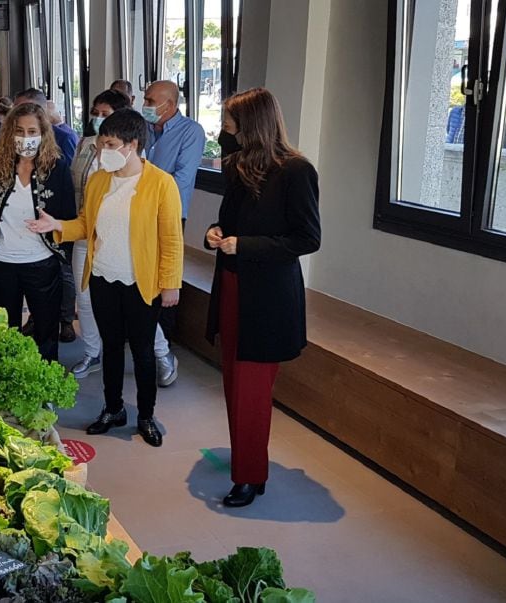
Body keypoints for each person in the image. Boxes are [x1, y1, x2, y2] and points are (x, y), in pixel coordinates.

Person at [28, 109, 184, 447]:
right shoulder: (99, 180)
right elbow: (86, 225)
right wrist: (57, 225)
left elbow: (171, 239)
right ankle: (113, 409)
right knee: (111, 347)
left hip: (142, 281)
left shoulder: (160, 183)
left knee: (142, 351)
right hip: (102, 277)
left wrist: (171, 283)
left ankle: (145, 414)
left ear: (133, 144)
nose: (102, 152)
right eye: (100, 144)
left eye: (110, 144)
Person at [204, 87, 321, 507]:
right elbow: (227, 222)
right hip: (234, 286)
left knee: (251, 390)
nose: (222, 132)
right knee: (235, 385)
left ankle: (249, 475)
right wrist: (214, 234)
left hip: (267, 297)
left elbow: (307, 238)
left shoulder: (295, 171)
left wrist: (245, 247)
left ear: (250, 126)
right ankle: (250, 464)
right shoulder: (239, 167)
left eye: (229, 125)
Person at [0, 103, 76, 361]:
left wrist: (54, 231)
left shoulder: (57, 168)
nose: (26, 137)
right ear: (10, 133)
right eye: (19, 131)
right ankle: (6, 382)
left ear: (43, 133)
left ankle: (46, 389)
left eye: (32, 131)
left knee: (46, 330)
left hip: (41, 262)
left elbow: (68, 215)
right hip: (1, 261)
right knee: (4, 331)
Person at [143, 80, 205, 385]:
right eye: (146, 99)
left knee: (166, 277)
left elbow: (180, 179)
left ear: (170, 104)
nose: (147, 105)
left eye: (151, 100)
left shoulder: (190, 132)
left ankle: (163, 348)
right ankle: (146, 339)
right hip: (137, 217)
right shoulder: (143, 129)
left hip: (168, 216)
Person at [68, 89, 131, 379]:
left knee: (132, 299)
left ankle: (160, 350)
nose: (98, 118)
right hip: (83, 231)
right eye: (96, 112)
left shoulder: (127, 153)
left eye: (105, 114)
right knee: (84, 297)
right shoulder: (85, 144)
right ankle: (93, 352)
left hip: (120, 236)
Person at [13, 89, 78, 161]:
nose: (15, 114)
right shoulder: (9, 135)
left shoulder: (64, 138)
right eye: (14, 109)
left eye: (24, 110)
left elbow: (71, 170)